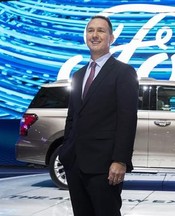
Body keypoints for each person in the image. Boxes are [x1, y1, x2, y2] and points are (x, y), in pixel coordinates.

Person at [59, 15, 139, 216]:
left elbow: (127, 120)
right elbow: (73, 118)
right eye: (90, 30)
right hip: (75, 163)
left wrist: (120, 160)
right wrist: (66, 152)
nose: (94, 35)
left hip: (104, 166)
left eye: (101, 31)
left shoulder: (124, 72)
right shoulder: (78, 75)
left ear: (111, 38)